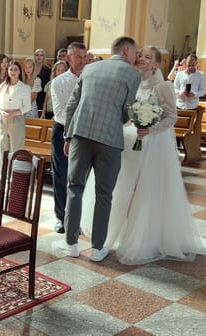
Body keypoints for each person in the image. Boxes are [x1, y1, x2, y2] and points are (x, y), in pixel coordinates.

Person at [81, 46, 206, 265]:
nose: (141, 59)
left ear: (156, 64)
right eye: (140, 55)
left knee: (143, 190)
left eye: (147, 57)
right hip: (129, 140)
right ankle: (118, 232)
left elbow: (172, 117)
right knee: (122, 187)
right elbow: (126, 113)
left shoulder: (163, 86)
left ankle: (142, 237)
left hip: (152, 143)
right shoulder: (132, 81)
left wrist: (149, 129)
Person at [51, 36, 140, 262]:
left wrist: (68, 136)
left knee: (74, 188)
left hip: (80, 134)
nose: (137, 57)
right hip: (109, 139)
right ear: (127, 50)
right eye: (136, 53)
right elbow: (127, 111)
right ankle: (98, 248)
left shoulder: (90, 68)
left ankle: (71, 244)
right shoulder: (132, 74)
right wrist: (113, 119)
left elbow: (72, 104)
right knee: (104, 194)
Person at [49, 42, 87, 234]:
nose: (82, 60)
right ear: (69, 58)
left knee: (81, 178)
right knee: (61, 175)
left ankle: (79, 218)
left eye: (84, 56)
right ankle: (61, 217)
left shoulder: (91, 79)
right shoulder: (58, 82)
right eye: (78, 57)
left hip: (86, 134)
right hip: (63, 131)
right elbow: (60, 112)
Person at [0, 60, 31, 174]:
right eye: (11, 69)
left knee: (16, 148)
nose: (13, 72)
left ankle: (15, 175)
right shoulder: (2, 86)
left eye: (15, 69)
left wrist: (13, 113)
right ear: (7, 71)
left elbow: (27, 107)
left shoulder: (24, 87)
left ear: (19, 71)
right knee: (2, 146)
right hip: (3, 119)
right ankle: (2, 174)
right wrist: (0, 111)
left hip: (16, 118)